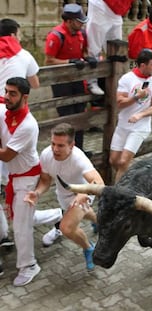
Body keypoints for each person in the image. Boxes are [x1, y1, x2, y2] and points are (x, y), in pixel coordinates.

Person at [24, 123, 104, 272]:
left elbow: (98, 182)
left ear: (72, 145)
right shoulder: (47, 154)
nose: (55, 149)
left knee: (66, 228)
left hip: (84, 194)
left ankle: (88, 248)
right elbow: (46, 180)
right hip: (64, 195)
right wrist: (37, 193)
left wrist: (83, 193)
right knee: (85, 214)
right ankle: (98, 221)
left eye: (60, 146)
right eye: (53, 143)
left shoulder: (79, 158)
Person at [0, 18, 40, 250]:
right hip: (12, 110)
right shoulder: (23, 55)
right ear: (14, 35)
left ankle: (4, 231)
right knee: (11, 155)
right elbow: (34, 83)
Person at [0, 78, 42, 286]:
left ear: (25, 97)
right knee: (25, 216)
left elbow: (6, 156)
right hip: (14, 176)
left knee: (20, 224)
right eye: (6, 91)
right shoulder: (5, 108)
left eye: (13, 93)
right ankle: (58, 215)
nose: (7, 96)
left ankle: (29, 265)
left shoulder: (28, 125)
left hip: (27, 178)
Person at [44, 3, 94, 153]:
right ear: (69, 21)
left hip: (78, 79)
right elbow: (49, 60)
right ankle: (65, 150)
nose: (81, 24)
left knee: (80, 113)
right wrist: (69, 62)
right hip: (61, 82)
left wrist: (88, 59)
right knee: (66, 116)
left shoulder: (82, 34)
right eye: (79, 21)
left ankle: (79, 149)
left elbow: (84, 51)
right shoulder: (56, 35)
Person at [109, 49, 152, 182]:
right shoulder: (127, 79)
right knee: (114, 160)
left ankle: (119, 193)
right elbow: (119, 103)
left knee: (123, 161)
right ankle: (134, 179)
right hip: (123, 125)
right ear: (143, 65)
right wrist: (136, 97)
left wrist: (140, 115)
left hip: (140, 127)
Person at [86, 0, 134, 95]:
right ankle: (91, 82)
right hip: (101, 6)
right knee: (94, 46)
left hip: (117, 10)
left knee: (117, 47)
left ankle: (118, 81)